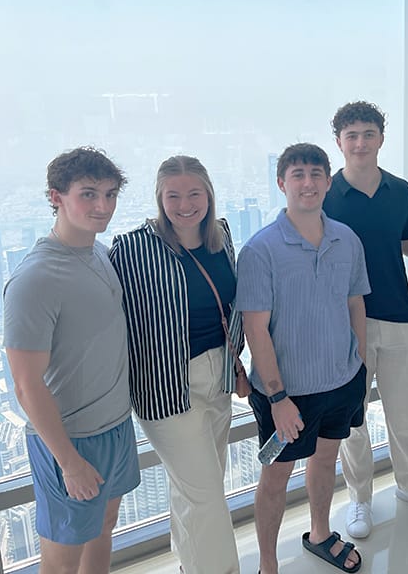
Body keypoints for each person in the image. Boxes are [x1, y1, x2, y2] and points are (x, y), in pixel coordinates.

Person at [3, 147, 140, 574]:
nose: (103, 206)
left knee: (104, 528)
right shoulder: (35, 279)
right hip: (70, 439)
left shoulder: (99, 254)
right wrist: (68, 461)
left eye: (110, 194)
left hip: (115, 426)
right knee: (62, 558)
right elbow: (26, 384)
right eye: (88, 194)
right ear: (56, 197)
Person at [237, 143, 370, 574]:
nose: (308, 183)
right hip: (287, 395)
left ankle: (319, 534)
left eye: (316, 174)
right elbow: (255, 329)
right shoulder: (260, 249)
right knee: (276, 477)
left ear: (329, 182)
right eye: (298, 174)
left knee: (326, 460)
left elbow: (355, 303)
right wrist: (278, 399)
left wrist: (359, 363)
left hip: (341, 382)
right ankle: (268, 564)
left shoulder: (346, 239)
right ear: (282, 183)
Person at [109, 156, 245, 574]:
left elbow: (233, 307)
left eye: (194, 194)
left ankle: (191, 563)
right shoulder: (132, 249)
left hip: (219, 376)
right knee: (205, 495)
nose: (185, 205)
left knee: (199, 487)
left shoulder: (221, 235)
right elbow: (111, 319)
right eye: (174, 196)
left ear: (208, 194)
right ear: (159, 198)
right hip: (166, 384)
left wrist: (238, 362)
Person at [323, 101, 408, 539]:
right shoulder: (325, 194)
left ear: (381, 138)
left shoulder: (401, 192)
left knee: (402, 415)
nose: (360, 143)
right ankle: (359, 498)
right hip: (344, 325)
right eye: (351, 135)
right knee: (352, 420)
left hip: (398, 315)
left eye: (368, 134)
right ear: (339, 142)